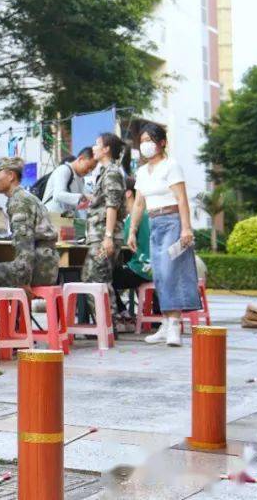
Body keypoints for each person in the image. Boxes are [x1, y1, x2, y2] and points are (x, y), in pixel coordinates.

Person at [126, 122, 200, 348]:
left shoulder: (171, 165)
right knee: (158, 274)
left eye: (150, 140)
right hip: (154, 222)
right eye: (143, 141)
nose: (146, 145)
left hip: (172, 221)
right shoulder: (141, 172)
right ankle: (165, 324)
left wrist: (186, 228)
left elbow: (181, 198)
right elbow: (138, 204)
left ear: (162, 143)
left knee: (171, 271)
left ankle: (175, 324)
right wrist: (132, 230)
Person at [0, 157, 59, 294]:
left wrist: (23, 281)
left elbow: (25, 245)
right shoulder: (25, 197)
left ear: (10, 176)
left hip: (38, 270)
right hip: (46, 266)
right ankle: (8, 314)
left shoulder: (19, 201)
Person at [80, 133, 129, 320]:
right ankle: (105, 324)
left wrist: (108, 236)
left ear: (106, 149)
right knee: (91, 277)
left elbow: (112, 205)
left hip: (103, 238)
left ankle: (110, 324)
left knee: (98, 277)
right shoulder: (105, 172)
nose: (94, 148)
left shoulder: (112, 172)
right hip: (99, 236)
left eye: (97, 144)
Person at [111, 178, 153, 325]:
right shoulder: (145, 215)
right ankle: (123, 311)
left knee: (101, 277)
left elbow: (122, 243)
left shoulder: (134, 218)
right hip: (150, 269)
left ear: (128, 194)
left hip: (140, 269)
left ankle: (119, 313)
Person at [41, 148, 96, 214]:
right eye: (88, 167)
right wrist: (83, 196)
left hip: (64, 218)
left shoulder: (81, 179)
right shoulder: (64, 170)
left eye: (92, 169)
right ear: (81, 159)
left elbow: (74, 205)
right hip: (52, 215)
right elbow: (58, 195)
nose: (89, 171)